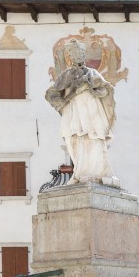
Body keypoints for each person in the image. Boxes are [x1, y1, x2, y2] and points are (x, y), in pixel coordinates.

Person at [44, 42, 117, 185]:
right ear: (70, 57)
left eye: (81, 53)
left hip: (92, 113)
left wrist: (95, 91)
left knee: (94, 139)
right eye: (75, 54)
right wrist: (60, 101)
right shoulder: (66, 75)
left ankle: (97, 172)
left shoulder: (93, 73)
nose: (79, 56)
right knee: (75, 140)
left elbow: (105, 90)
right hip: (74, 112)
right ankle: (80, 171)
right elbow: (52, 94)